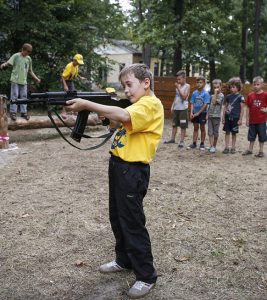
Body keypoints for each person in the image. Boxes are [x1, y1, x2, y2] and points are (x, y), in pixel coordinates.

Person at [65, 63, 164, 299]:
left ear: (146, 82)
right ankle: (124, 260)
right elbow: (118, 123)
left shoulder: (150, 104)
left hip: (133, 170)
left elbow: (123, 115)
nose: (126, 90)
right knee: (117, 217)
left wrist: (88, 104)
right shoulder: (137, 104)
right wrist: (105, 116)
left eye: (129, 85)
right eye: (124, 86)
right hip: (119, 166)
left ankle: (146, 276)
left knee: (132, 222)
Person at [0, 43, 41, 121]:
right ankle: (13, 112)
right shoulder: (16, 56)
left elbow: (30, 71)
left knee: (24, 97)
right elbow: (8, 63)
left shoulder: (28, 59)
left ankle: (23, 112)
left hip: (23, 81)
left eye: (29, 53)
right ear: (23, 49)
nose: (27, 54)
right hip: (15, 80)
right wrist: (3, 65)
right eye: (26, 52)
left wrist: (36, 79)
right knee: (14, 96)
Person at [164, 70, 190, 147]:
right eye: (177, 79)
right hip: (176, 108)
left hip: (183, 109)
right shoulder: (178, 87)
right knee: (174, 124)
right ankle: (172, 139)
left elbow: (184, 97)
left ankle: (182, 141)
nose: (178, 81)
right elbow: (176, 97)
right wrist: (172, 106)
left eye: (179, 79)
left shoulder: (187, 86)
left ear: (184, 78)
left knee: (183, 125)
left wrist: (178, 88)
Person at [242, 76, 267, 158]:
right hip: (252, 120)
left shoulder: (265, 95)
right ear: (253, 85)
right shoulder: (250, 95)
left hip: (262, 120)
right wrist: (247, 119)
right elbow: (248, 107)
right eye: (255, 84)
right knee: (251, 136)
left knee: (262, 136)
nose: (256, 86)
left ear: (262, 85)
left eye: (258, 84)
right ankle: (250, 149)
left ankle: (261, 151)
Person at [222, 77, 245, 154]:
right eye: (231, 87)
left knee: (234, 133)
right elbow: (225, 107)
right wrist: (223, 117)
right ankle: (226, 147)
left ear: (238, 87)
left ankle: (233, 147)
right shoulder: (228, 96)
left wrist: (240, 119)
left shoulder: (241, 97)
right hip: (227, 117)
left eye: (233, 87)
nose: (231, 88)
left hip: (235, 117)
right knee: (227, 132)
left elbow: (242, 109)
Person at [187, 75, 210, 150]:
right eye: (197, 82)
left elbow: (205, 105)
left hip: (202, 113)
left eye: (201, 82)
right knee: (195, 128)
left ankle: (202, 143)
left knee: (202, 128)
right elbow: (192, 103)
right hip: (195, 113)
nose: (199, 84)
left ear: (204, 83)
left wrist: (199, 113)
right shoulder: (194, 93)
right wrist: (191, 112)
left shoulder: (206, 94)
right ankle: (194, 143)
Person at [61, 53, 86, 119]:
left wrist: (80, 77)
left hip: (70, 81)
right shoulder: (69, 66)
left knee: (74, 94)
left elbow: (76, 74)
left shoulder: (76, 66)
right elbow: (63, 77)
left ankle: (74, 110)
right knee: (66, 96)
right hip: (65, 81)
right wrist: (65, 86)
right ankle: (63, 112)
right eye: (77, 62)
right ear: (74, 60)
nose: (78, 63)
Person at [207, 79, 224, 153]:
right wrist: (207, 114)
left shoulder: (221, 95)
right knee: (210, 132)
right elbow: (210, 106)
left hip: (216, 117)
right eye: (214, 87)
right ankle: (211, 146)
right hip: (210, 116)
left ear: (221, 87)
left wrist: (215, 93)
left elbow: (214, 102)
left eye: (217, 87)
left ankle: (214, 146)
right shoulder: (212, 95)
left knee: (215, 133)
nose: (216, 89)